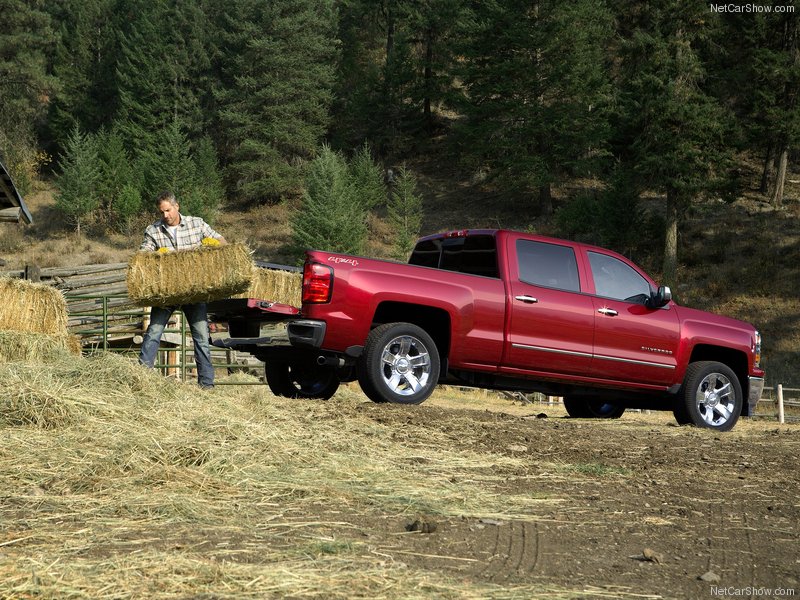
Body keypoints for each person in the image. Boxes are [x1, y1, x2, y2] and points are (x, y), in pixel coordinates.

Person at [138, 191, 227, 389]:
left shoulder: (197, 223)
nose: (165, 216)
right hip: (166, 292)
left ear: (177, 206)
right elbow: (142, 257)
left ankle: (206, 384)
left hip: (194, 291)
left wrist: (205, 250)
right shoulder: (153, 230)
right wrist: (157, 256)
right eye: (162, 212)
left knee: (201, 337)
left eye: (168, 210)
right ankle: (141, 377)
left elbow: (222, 242)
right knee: (153, 332)